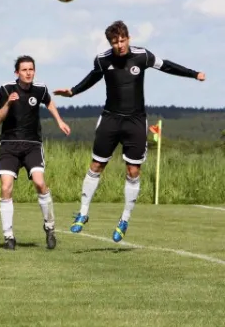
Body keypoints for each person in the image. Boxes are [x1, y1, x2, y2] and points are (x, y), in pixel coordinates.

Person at [53, 20, 206, 242]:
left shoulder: (142, 56)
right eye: (115, 41)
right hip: (110, 119)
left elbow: (167, 66)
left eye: (123, 40)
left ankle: (124, 218)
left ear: (129, 38)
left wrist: (194, 74)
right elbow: (93, 77)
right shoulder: (103, 59)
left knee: (133, 171)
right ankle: (83, 213)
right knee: (96, 165)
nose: (120, 45)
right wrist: (73, 92)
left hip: (135, 121)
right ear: (110, 42)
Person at [0, 55, 71, 250]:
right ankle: (8, 236)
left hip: (32, 144)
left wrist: (59, 121)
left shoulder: (40, 89)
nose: (28, 73)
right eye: (24, 70)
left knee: (39, 182)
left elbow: (49, 102)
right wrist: (8, 104)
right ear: (17, 73)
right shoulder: (6, 89)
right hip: (9, 145)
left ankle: (50, 226)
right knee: (6, 187)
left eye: (31, 69)